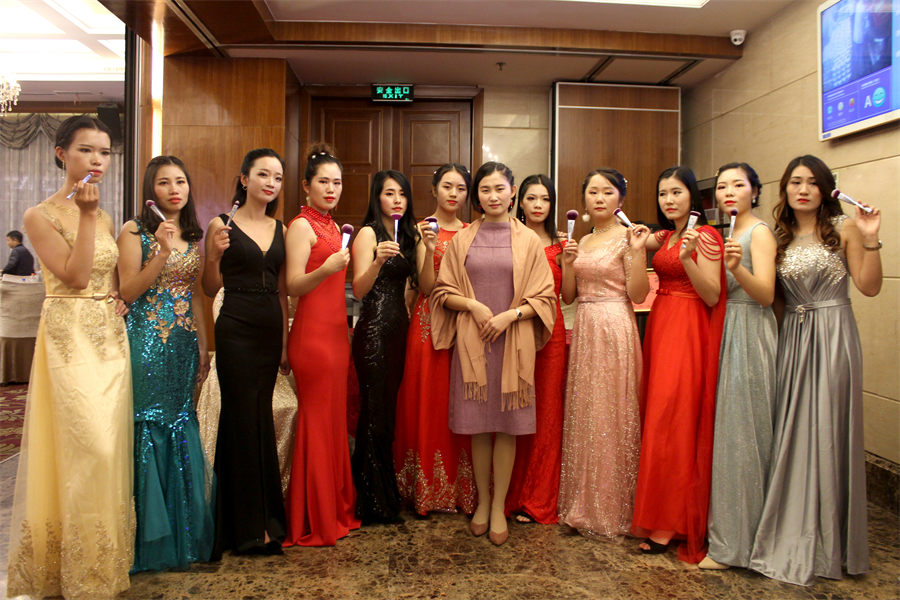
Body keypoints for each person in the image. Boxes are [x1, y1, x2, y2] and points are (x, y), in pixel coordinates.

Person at [6, 115, 134, 598]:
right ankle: (71, 569)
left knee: (109, 450)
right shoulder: (39, 215)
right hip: (67, 335)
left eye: (104, 152)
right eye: (86, 150)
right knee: (85, 448)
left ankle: (102, 567)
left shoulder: (105, 217)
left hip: (108, 337)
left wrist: (117, 296)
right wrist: (85, 215)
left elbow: (106, 275)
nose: (97, 160)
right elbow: (76, 276)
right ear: (62, 154)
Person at [749, 155, 882, 586]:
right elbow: (776, 302)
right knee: (794, 430)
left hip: (834, 335)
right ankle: (794, 526)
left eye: (812, 182)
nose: (803, 190)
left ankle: (830, 541)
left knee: (829, 428)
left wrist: (871, 239)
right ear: (784, 189)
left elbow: (869, 286)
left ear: (825, 189)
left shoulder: (844, 228)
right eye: (795, 182)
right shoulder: (779, 237)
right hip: (793, 338)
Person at [430, 162, 556, 546]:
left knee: (506, 426)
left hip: (513, 341)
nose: (493, 196)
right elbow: (442, 291)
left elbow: (545, 297)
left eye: (500, 189)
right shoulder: (463, 239)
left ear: (512, 192)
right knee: (479, 426)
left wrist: (509, 316)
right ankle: (482, 503)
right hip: (473, 342)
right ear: (477, 196)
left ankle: (499, 504)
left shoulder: (529, 241)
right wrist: (472, 305)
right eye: (485, 190)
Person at [117, 155, 214, 571]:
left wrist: (204, 348)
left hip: (183, 345)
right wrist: (160, 252)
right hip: (146, 343)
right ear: (150, 190)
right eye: (164, 182)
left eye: (180, 182)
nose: (174, 189)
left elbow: (196, 295)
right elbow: (128, 291)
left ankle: (184, 535)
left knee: (180, 422)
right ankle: (147, 540)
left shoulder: (192, 236)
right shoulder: (133, 231)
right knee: (150, 424)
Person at [631, 165, 726, 563]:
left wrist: (687, 259)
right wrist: (636, 245)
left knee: (675, 421)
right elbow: (635, 243)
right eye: (663, 193)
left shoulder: (706, 236)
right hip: (662, 324)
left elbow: (712, 294)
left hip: (688, 330)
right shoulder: (668, 235)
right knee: (659, 417)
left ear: (693, 196)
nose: (669, 200)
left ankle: (673, 520)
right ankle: (658, 512)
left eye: (676, 192)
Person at [203, 148, 289, 557]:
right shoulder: (222, 224)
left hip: (269, 330)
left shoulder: (281, 228)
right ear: (244, 179)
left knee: (261, 418)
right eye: (263, 174)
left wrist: (285, 343)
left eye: (277, 177)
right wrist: (214, 255)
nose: (271, 183)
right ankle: (243, 529)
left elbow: (283, 291)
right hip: (235, 327)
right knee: (239, 418)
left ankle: (268, 523)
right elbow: (209, 287)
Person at [558, 169, 649, 538]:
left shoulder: (629, 237)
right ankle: (583, 504)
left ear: (620, 200)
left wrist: (638, 252)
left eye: (607, 192)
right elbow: (568, 297)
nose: (599, 198)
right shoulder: (582, 239)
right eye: (592, 192)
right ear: (584, 199)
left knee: (613, 412)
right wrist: (567, 265)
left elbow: (639, 294)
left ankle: (613, 506)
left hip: (615, 325)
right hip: (586, 325)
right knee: (587, 412)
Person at [699, 163, 777, 571]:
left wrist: (736, 268)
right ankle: (727, 533)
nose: (729, 191)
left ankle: (741, 543)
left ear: (755, 191)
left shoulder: (758, 233)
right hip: (726, 328)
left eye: (738, 185)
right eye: (722, 186)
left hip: (750, 330)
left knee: (744, 433)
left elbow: (766, 295)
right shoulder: (726, 232)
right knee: (727, 433)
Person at [283, 144, 360, 546]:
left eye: (337, 183)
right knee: (316, 423)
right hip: (312, 337)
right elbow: (293, 285)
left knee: (333, 423)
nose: (331, 189)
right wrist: (328, 268)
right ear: (306, 186)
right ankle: (314, 518)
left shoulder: (332, 226)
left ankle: (335, 509)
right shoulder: (301, 226)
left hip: (335, 335)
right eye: (323, 182)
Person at [393, 163, 475, 516]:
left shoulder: (473, 231)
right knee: (428, 401)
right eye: (447, 186)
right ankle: (425, 490)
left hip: (464, 324)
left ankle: (461, 489)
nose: (453, 194)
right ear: (434, 189)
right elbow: (425, 286)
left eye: (460, 188)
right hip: (428, 322)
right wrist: (428, 247)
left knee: (461, 404)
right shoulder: (420, 229)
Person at [350, 170, 420, 524]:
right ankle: (369, 500)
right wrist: (378, 261)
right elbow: (359, 290)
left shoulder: (407, 235)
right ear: (377, 197)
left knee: (388, 415)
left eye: (402, 194)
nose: (396, 200)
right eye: (389, 193)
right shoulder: (368, 233)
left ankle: (385, 494)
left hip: (398, 332)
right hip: (373, 331)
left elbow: (413, 287)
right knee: (374, 413)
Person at [504, 174, 567, 525]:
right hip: (514, 328)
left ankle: (537, 498)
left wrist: (570, 264)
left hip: (551, 332)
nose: (538, 205)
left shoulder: (561, 244)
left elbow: (567, 295)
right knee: (514, 410)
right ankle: (509, 493)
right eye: (531, 198)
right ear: (519, 202)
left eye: (545, 199)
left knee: (546, 414)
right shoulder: (508, 238)